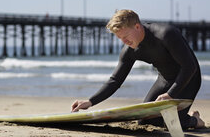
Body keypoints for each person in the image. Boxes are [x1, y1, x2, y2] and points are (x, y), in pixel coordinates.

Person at [71, 9, 205, 129]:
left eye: (125, 36)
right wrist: (90, 101)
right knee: (145, 121)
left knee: (172, 123)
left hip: (189, 79)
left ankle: (196, 120)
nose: (124, 42)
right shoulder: (129, 51)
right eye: (120, 38)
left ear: (137, 27)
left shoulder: (166, 34)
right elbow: (115, 80)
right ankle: (189, 114)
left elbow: (189, 67)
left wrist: (170, 94)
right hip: (165, 79)